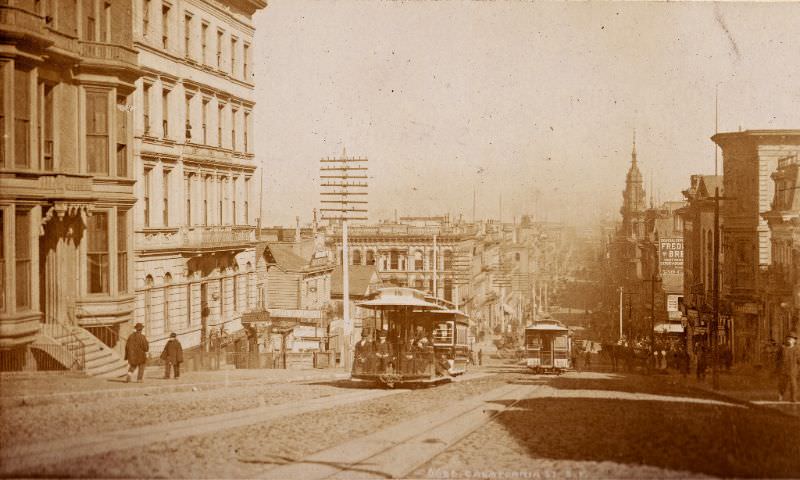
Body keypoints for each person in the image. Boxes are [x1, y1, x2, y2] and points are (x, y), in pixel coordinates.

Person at [776, 332, 800, 403]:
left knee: (793, 384)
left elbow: (799, 359)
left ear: (794, 341)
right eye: (788, 338)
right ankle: (781, 394)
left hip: (793, 369)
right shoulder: (782, 348)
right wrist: (777, 367)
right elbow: (778, 359)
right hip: (783, 369)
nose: (789, 340)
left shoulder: (797, 349)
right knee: (783, 383)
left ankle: (793, 398)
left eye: (791, 339)